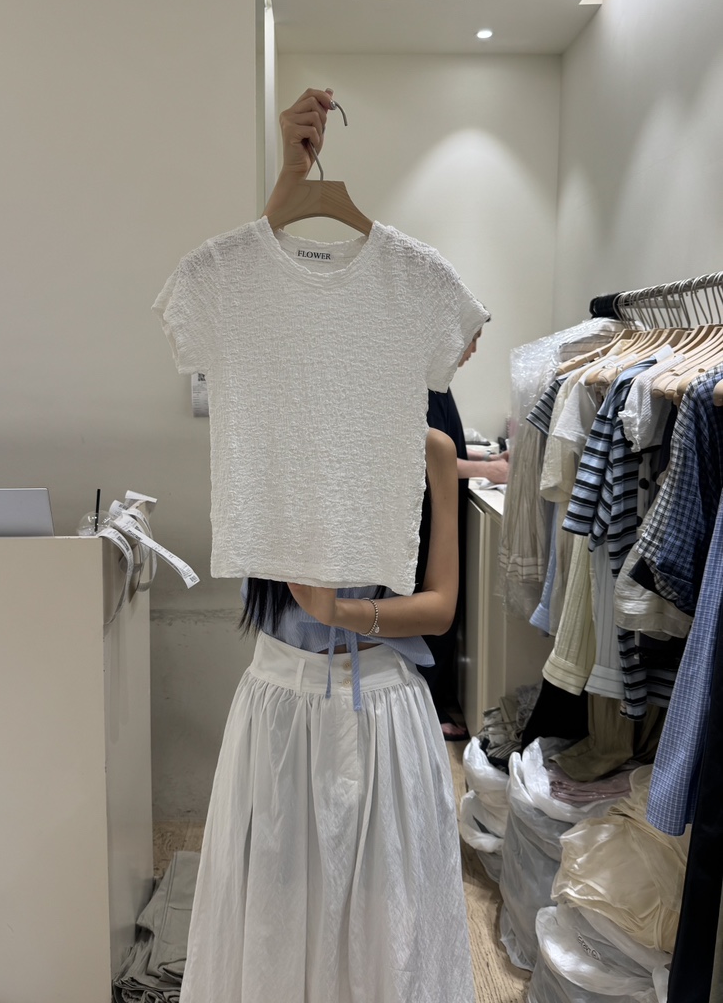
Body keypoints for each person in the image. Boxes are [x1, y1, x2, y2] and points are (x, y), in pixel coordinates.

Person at [174, 88, 477, 1003]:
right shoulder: (276, 428)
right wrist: (290, 179)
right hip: (280, 704)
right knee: (273, 922)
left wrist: (341, 609)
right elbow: (246, 295)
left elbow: (442, 609)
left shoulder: (429, 446)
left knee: (388, 933)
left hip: (385, 710)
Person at [420, 330, 509, 740]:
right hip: (428, 514)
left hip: (442, 508)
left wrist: (487, 457)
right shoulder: (423, 384)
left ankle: (434, 702)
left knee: (445, 610)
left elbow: (448, 447)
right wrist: (488, 470)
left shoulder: (438, 384)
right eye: (472, 338)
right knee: (433, 608)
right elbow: (423, 457)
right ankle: (429, 709)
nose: (474, 350)